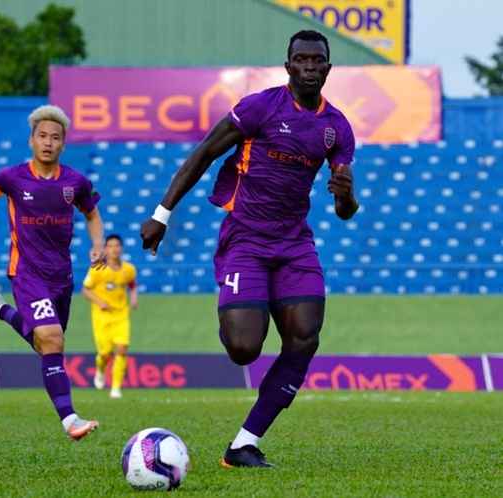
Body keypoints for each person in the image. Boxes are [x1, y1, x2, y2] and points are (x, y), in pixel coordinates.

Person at [140, 30, 358, 468]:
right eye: (302, 60)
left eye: (318, 61)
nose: (310, 67)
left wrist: (345, 194)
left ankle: (243, 444)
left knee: (305, 336)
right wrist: (162, 214)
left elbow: (345, 211)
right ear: (288, 66)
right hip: (246, 237)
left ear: (328, 69)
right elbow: (203, 153)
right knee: (244, 348)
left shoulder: (337, 128)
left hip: (295, 242)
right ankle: (241, 302)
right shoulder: (260, 107)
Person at [0, 104, 105, 440]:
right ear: (31, 141)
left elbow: (93, 216)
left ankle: (0, 309)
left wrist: (98, 244)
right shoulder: (11, 177)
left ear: (63, 145)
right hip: (27, 273)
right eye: (42, 136)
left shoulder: (76, 182)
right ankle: (69, 419)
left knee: (47, 346)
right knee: (53, 339)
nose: (48, 142)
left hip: (62, 277)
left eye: (55, 138)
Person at [81, 234, 138, 399]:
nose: (114, 249)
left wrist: (134, 298)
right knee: (105, 354)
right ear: (105, 249)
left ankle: (115, 388)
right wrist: (99, 302)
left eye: (117, 246)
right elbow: (86, 290)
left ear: (122, 248)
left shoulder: (129, 269)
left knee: (121, 349)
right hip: (102, 317)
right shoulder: (97, 269)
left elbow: (132, 285)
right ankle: (100, 370)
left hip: (121, 315)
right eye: (111, 246)